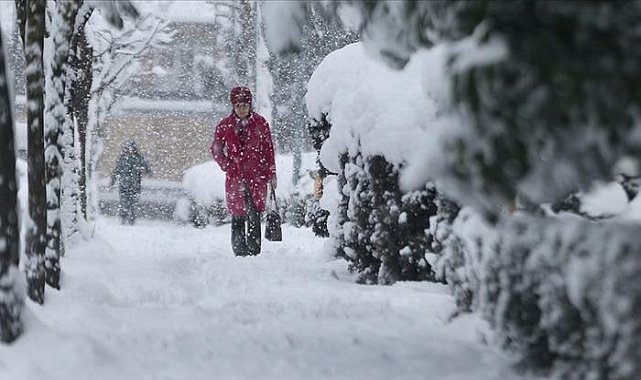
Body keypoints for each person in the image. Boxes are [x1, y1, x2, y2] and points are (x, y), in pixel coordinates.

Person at [210, 86, 277, 256]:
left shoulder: (260, 124)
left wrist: (272, 173)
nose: (241, 109)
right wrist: (227, 165)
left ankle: (254, 250)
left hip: (257, 176)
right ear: (233, 106)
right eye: (238, 105)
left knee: (254, 214)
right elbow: (216, 149)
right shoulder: (225, 125)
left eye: (244, 105)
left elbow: (268, 150)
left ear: (250, 105)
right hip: (235, 177)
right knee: (238, 214)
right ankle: (239, 251)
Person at [111, 139, 151, 225]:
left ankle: (131, 219)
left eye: (130, 148)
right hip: (123, 185)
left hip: (135, 185)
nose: (129, 150)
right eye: (127, 148)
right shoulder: (122, 158)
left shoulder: (139, 158)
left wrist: (142, 169)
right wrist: (112, 181)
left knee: (133, 204)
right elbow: (116, 170)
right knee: (124, 202)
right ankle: (123, 218)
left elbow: (147, 168)